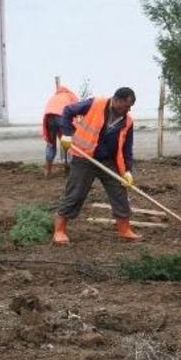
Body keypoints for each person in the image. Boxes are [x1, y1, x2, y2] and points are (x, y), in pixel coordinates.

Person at [52, 87, 140, 244]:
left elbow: (127, 148)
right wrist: (66, 134)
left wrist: (127, 171)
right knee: (75, 193)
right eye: (126, 105)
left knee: (119, 191)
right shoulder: (96, 103)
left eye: (130, 107)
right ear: (117, 99)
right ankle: (59, 230)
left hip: (108, 161)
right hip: (84, 157)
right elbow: (67, 111)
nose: (128, 109)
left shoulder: (127, 121)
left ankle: (124, 230)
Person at [41, 85, 78, 177]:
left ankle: (48, 171)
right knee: (69, 142)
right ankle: (70, 169)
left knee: (51, 143)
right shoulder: (71, 96)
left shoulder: (54, 97)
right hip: (62, 117)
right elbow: (75, 111)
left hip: (49, 118)